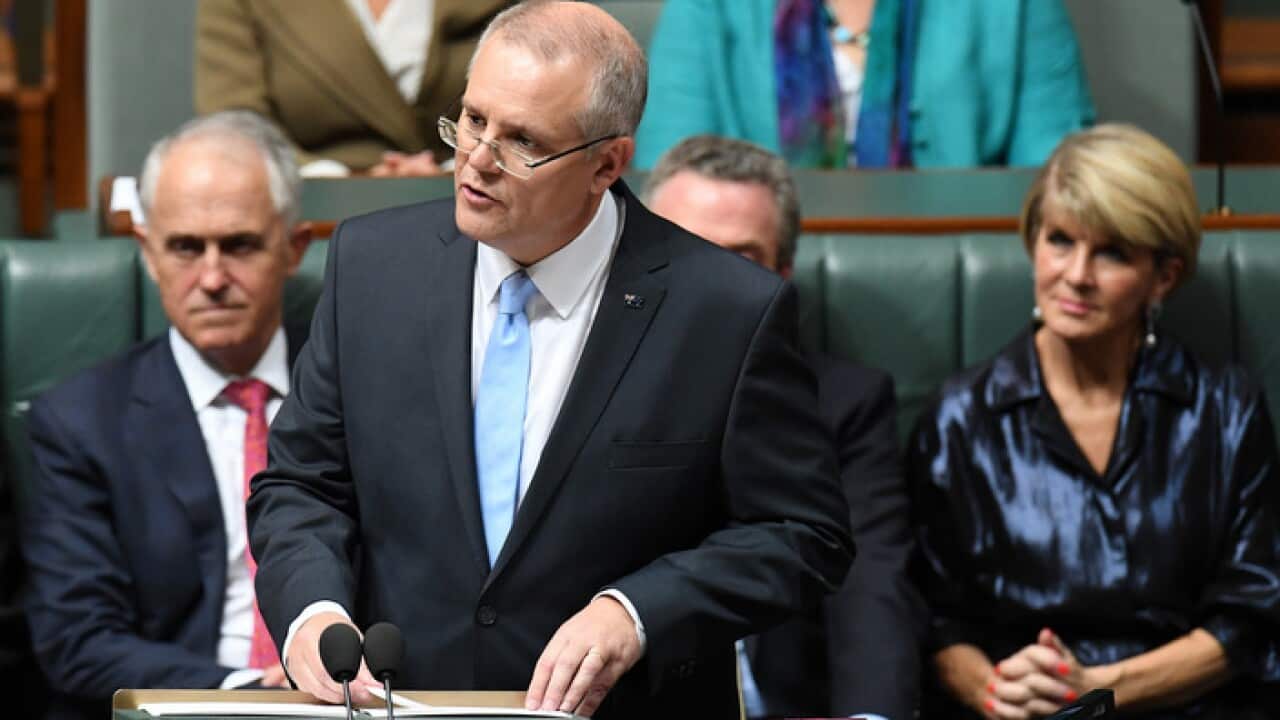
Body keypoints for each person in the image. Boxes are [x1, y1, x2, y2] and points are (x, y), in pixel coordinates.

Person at [247, 3, 854, 719]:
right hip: (397, 703)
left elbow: (801, 534)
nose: (477, 159)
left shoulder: (723, 310)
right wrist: (312, 611)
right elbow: (301, 484)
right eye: (472, 120)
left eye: (522, 141)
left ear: (607, 162)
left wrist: (637, 611)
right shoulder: (371, 267)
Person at [908, 124, 1280, 719]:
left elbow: (1253, 615)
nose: (1076, 275)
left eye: (1112, 252)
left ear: (1164, 276)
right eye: (1060, 240)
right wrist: (996, 690)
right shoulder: (960, 416)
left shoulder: (1225, 409)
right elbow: (934, 619)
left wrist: (1097, 689)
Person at [21, 111, 313, 720]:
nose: (211, 278)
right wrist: (248, 693)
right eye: (185, 247)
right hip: (180, 708)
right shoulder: (79, 422)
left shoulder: (359, 391)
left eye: (238, 245)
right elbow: (77, 640)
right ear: (148, 254)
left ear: (294, 249)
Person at [645, 134, 924, 720]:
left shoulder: (844, 404)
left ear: (783, 275)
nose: (710, 284)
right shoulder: (575, 385)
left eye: (740, 260)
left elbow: (870, 587)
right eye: (685, 250)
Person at [635, 0, 1094, 170]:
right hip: (751, 284)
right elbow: (671, 179)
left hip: (960, 287)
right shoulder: (707, 8)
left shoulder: (1018, 7)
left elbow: (1057, 183)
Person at [196, 0, 511, 177]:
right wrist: (336, 179)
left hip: (476, 183)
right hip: (313, 207)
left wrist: (454, 166)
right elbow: (235, 123)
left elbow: (538, 89)